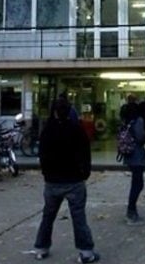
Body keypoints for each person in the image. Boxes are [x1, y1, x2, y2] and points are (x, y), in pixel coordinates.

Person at [33, 98, 100, 263]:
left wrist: (46, 173)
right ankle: (86, 252)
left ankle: (41, 248)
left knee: (48, 216)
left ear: (54, 111)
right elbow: (85, 154)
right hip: (74, 180)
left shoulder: (48, 130)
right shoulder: (77, 130)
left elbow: (42, 155)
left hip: (53, 181)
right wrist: (84, 173)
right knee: (78, 217)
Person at [119, 94, 145, 224]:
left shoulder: (126, 121)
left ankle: (132, 209)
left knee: (136, 183)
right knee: (137, 184)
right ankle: (131, 211)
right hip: (137, 155)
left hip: (129, 155)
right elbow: (141, 138)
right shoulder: (139, 121)